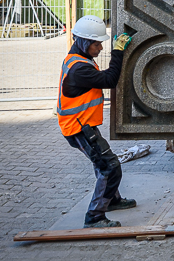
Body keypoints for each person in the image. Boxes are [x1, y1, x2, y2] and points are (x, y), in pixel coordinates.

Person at [58, 15, 136, 228]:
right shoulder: (79, 69)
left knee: (103, 163)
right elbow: (110, 79)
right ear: (83, 42)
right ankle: (95, 217)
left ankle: (112, 200)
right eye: (96, 43)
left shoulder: (78, 58)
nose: (100, 47)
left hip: (82, 125)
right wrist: (118, 51)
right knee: (110, 167)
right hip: (78, 128)